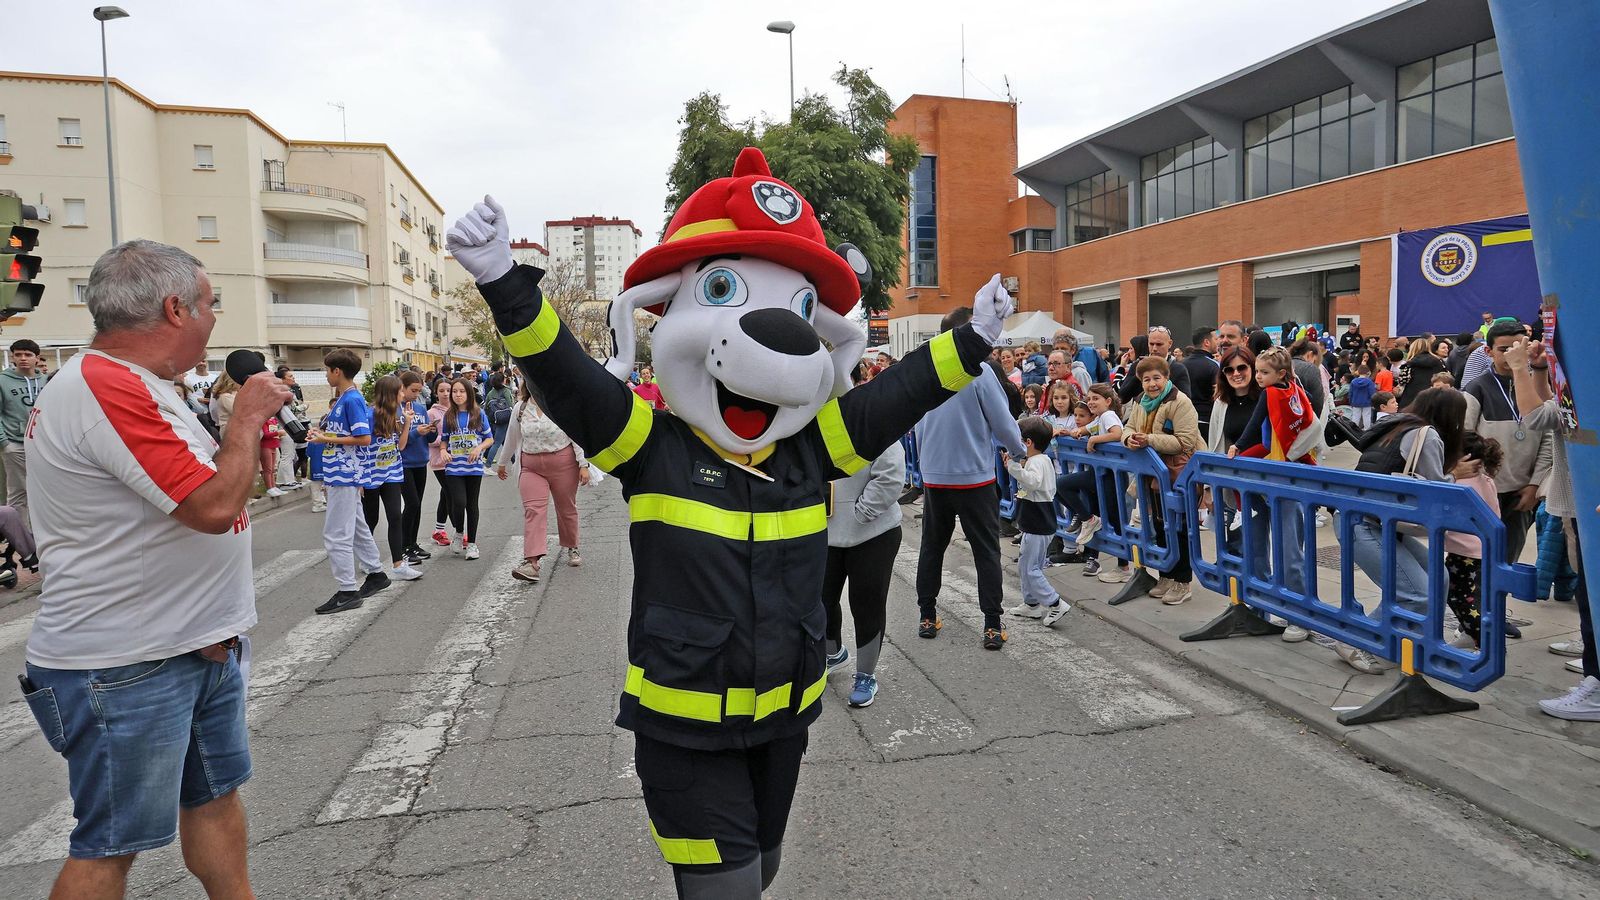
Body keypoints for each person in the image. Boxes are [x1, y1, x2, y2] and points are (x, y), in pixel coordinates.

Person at [21, 239, 292, 898]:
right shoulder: (105, 385)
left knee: (214, 802)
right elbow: (209, 506)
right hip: (126, 661)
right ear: (176, 308)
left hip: (188, 648)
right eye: (210, 303)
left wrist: (244, 449)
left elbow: (212, 496)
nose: (215, 318)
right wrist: (247, 418)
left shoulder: (144, 387)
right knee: (109, 847)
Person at [913, 307, 1026, 650]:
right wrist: (1019, 450)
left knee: (932, 546)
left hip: (935, 474)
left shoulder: (925, 366)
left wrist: (923, 464)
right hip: (973, 476)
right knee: (986, 551)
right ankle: (992, 624)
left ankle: (927, 615)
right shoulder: (979, 371)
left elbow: (914, 420)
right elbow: (1003, 422)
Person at [1343, 387, 1475, 673]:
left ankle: (1420, 644)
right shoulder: (1426, 435)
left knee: (1437, 578)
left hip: (1373, 520)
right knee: (1417, 594)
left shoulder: (1396, 424)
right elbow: (1435, 489)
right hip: (1367, 524)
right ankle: (1356, 640)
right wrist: (1457, 475)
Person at [822, 373, 905, 708]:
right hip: (825, 531)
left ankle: (866, 674)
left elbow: (891, 474)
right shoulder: (807, 419)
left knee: (866, 603)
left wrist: (860, 514)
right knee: (820, 599)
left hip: (874, 533)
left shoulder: (871, 417)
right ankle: (832, 654)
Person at [1463, 319, 1552, 603]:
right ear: (1488, 352)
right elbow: (1464, 439)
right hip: (1485, 494)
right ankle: (1474, 622)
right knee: (1476, 560)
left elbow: (1550, 439)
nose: (1511, 354)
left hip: (1522, 493)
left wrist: (1534, 484)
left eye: (1518, 347)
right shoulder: (1477, 388)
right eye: (1503, 349)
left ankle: (1497, 614)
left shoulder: (1537, 384)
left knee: (1507, 561)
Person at [307, 349, 390, 615]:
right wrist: (323, 434)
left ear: (337, 371)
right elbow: (346, 435)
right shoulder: (345, 399)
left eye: (326, 370)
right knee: (357, 526)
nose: (326, 375)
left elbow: (363, 438)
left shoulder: (351, 400)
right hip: (341, 473)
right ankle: (376, 573)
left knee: (336, 534)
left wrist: (325, 439)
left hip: (345, 474)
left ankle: (347, 590)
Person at [1122, 356, 1201, 605]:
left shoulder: (1180, 402)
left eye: (1157, 378)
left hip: (1180, 474)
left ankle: (1183, 581)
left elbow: (1186, 441)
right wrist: (1129, 439)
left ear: (1166, 378)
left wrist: (1149, 439)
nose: (1152, 384)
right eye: (1146, 379)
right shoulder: (1141, 402)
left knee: (1180, 527)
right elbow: (1128, 427)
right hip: (1154, 475)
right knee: (1159, 524)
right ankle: (1166, 574)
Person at [496, 381, 588, 582]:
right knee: (534, 510)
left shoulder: (560, 405)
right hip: (531, 466)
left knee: (566, 507)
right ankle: (532, 562)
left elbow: (576, 434)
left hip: (563, 464)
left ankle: (572, 546)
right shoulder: (520, 408)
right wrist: (502, 463)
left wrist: (583, 464)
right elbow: (511, 437)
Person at [1004, 417, 1072, 627]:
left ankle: (1055, 603)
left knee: (1032, 568)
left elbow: (1032, 482)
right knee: (1026, 565)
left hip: (1038, 524)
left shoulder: (1038, 462)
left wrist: (1013, 467)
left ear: (1028, 442)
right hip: (1033, 523)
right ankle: (1031, 604)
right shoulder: (1038, 460)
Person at [1055, 383, 1124, 579]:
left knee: (1114, 517)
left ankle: (1124, 567)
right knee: (1107, 515)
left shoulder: (1108, 415)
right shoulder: (1100, 418)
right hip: (1100, 473)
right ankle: (1088, 521)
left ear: (1108, 401)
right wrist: (1068, 432)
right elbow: (1084, 429)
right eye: (1089, 398)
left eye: (1096, 399)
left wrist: (1095, 440)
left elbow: (1117, 433)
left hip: (1108, 474)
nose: (1091, 402)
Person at [1443, 432, 1504, 648]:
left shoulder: (1459, 483)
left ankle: (1486, 641)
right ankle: (1471, 634)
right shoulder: (1485, 479)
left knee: (1457, 595)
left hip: (1466, 552)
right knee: (1471, 596)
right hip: (1483, 549)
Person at [362, 374, 424, 582]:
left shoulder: (399, 413)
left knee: (395, 517)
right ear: (390, 393)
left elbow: (401, 446)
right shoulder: (369, 415)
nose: (402, 394)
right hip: (371, 475)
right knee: (371, 518)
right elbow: (361, 446)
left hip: (392, 472)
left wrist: (407, 423)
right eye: (399, 391)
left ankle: (398, 565)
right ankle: (367, 558)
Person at [434, 377, 494, 559]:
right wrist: (443, 451)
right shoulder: (449, 415)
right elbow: (443, 440)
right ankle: (459, 532)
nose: (458, 395)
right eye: (455, 392)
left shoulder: (478, 413)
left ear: (468, 393)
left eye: (461, 391)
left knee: (472, 504)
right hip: (453, 467)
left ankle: (473, 544)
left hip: (473, 467)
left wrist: (479, 448)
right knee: (458, 502)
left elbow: (489, 438)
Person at [0, 338, 48, 524]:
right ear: (12, 357)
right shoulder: (3, 380)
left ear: (37, 358)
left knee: (43, 489)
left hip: (42, 444)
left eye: (28, 355)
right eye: (18, 354)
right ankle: (20, 539)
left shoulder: (45, 380)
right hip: (15, 444)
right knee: (19, 491)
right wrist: (5, 444)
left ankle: (39, 533)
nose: (23, 358)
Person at [398, 370, 435, 566]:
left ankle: (412, 543)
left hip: (421, 461)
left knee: (418, 504)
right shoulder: (396, 409)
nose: (415, 394)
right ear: (401, 388)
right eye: (413, 390)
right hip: (404, 463)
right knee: (411, 503)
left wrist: (430, 431)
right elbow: (398, 440)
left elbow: (429, 438)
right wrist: (415, 432)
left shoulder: (421, 408)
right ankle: (403, 547)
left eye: (419, 390)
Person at [1116, 326, 1192, 404]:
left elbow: (1185, 402)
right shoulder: (1137, 365)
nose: (1154, 348)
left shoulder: (1178, 369)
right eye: (1151, 344)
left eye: (1159, 344)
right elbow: (1122, 397)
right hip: (1141, 414)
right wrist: (1140, 373)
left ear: (1170, 344)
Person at [427, 380, 455, 547]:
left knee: (446, 495)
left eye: (448, 390)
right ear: (435, 392)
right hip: (439, 460)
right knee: (451, 494)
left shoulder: (457, 410)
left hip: (457, 459)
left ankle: (438, 530)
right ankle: (459, 532)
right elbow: (428, 439)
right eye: (442, 390)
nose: (445, 393)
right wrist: (446, 440)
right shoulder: (431, 413)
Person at [1182, 326, 1220, 434]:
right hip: (1206, 420)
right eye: (1216, 339)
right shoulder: (1214, 366)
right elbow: (1218, 394)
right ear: (1207, 342)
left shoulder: (1181, 365)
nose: (1218, 342)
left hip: (1184, 419)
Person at [483, 372, 515, 465]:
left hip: (495, 420)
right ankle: (488, 465)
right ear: (502, 381)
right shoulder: (506, 391)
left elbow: (486, 408)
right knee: (497, 443)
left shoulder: (490, 393)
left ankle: (514, 461)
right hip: (505, 419)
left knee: (505, 441)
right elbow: (511, 405)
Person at [259, 413, 284, 497]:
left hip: (274, 445)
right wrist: (277, 433)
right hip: (265, 446)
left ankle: (273, 486)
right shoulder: (263, 421)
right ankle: (269, 488)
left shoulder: (273, 420)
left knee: (272, 469)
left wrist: (278, 434)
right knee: (268, 468)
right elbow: (265, 434)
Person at [209, 371, 239, 435]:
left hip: (232, 429)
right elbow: (239, 412)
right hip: (230, 430)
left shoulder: (232, 394)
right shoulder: (225, 396)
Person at [1347, 365, 1376, 429]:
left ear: (1358, 372)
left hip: (1355, 402)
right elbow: (1372, 393)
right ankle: (1366, 430)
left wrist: (1351, 402)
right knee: (1367, 416)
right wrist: (1373, 402)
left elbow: (1350, 393)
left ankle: (1354, 430)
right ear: (1368, 372)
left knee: (1355, 417)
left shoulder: (1353, 381)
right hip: (1367, 402)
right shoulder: (1369, 382)